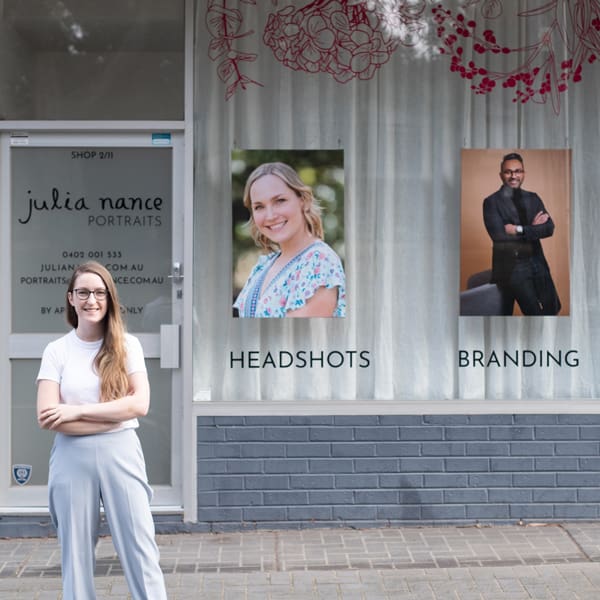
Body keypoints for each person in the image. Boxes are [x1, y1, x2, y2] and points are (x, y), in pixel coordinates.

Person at [36, 261, 167, 600]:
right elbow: (48, 417)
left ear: (110, 299)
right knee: (75, 554)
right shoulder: (57, 351)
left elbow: (139, 405)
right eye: (83, 292)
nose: (91, 300)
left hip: (120, 452)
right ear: (70, 298)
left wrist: (77, 410)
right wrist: (113, 414)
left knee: (140, 545)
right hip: (70, 457)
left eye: (98, 292)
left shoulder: (127, 346)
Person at [233, 162, 346, 317]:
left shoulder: (320, 261)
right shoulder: (263, 266)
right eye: (259, 207)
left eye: (279, 201)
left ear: (303, 201)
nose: (270, 215)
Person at [483, 152, 561, 315]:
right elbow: (500, 237)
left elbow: (549, 228)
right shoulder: (491, 202)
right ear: (501, 175)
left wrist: (520, 229)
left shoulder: (533, 198)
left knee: (552, 310)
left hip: (538, 263)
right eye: (508, 172)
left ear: (523, 173)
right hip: (513, 268)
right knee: (534, 314)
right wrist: (533, 229)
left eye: (518, 171)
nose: (513, 176)